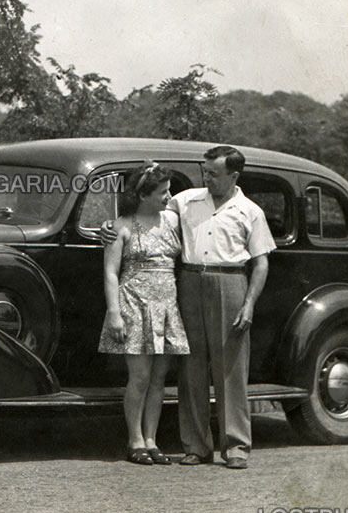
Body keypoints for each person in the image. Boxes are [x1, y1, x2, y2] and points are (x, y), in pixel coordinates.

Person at [102, 146, 275, 470]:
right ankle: (196, 445)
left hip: (231, 282)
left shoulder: (250, 211)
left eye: (213, 173)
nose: (205, 177)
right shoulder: (185, 201)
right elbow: (144, 211)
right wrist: (108, 228)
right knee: (191, 369)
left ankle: (236, 446)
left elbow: (261, 263)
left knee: (231, 368)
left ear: (233, 176)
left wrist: (249, 304)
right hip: (189, 282)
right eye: (205, 171)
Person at [98, 163, 189, 466]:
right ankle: (134, 440)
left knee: (159, 378)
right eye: (163, 192)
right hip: (133, 304)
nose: (169, 196)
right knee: (139, 377)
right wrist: (114, 312)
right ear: (143, 195)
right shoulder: (120, 226)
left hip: (166, 304)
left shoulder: (173, 221)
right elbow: (111, 273)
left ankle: (151, 440)